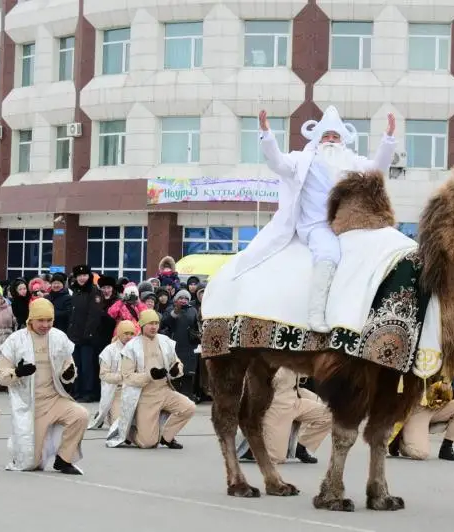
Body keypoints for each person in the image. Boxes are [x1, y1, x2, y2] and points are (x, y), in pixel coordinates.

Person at [235, 106, 397, 332]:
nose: (331, 140)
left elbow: (378, 168)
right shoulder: (303, 160)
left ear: (342, 141)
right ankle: (315, 315)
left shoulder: (351, 162)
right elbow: (277, 163)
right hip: (317, 226)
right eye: (326, 136)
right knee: (329, 254)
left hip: (349, 226)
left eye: (335, 136)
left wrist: (388, 139)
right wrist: (267, 134)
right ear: (318, 139)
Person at [0, 298, 89, 474]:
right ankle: (22, 452)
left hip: (54, 399)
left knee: (80, 414)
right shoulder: (15, 340)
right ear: (30, 320)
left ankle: (64, 459)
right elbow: (0, 377)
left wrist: (69, 375)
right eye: (41, 320)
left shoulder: (59, 337)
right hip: (30, 405)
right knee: (31, 464)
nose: (45, 325)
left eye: (49, 320)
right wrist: (17, 372)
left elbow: (69, 369)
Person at [106, 309, 195, 449]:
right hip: (144, 396)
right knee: (148, 443)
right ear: (142, 325)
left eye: (156, 323)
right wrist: (149, 376)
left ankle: (166, 437)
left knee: (189, 407)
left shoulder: (166, 341)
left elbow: (177, 363)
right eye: (150, 324)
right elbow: (127, 377)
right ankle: (128, 432)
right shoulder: (131, 347)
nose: (154, 327)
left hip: (165, 391)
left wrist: (176, 370)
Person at [238, 368, 330, 464]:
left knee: (329, 415)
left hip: (295, 401)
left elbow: (303, 372)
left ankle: (300, 447)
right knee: (277, 458)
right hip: (277, 407)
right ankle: (253, 448)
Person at [388, 379, 454, 462]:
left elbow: (447, 396)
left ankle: (447, 447)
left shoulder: (446, 369)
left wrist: (446, 385)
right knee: (420, 453)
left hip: (436, 406)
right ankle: (399, 441)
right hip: (415, 408)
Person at [88, 320, 136, 430]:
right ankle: (106, 414)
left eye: (131, 334)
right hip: (116, 390)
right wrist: (122, 377)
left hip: (133, 389)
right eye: (126, 333)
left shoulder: (136, 349)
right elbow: (103, 375)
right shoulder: (109, 350)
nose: (129, 337)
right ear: (119, 334)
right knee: (118, 424)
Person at [66, 265, 103, 403]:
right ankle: (77, 390)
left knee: (87, 366)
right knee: (76, 365)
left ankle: (87, 392)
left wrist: (88, 334)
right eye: (79, 276)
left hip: (87, 338)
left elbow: (94, 315)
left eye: (85, 275)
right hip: (74, 336)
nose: (82, 278)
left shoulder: (94, 291)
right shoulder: (75, 291)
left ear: (89, 276)